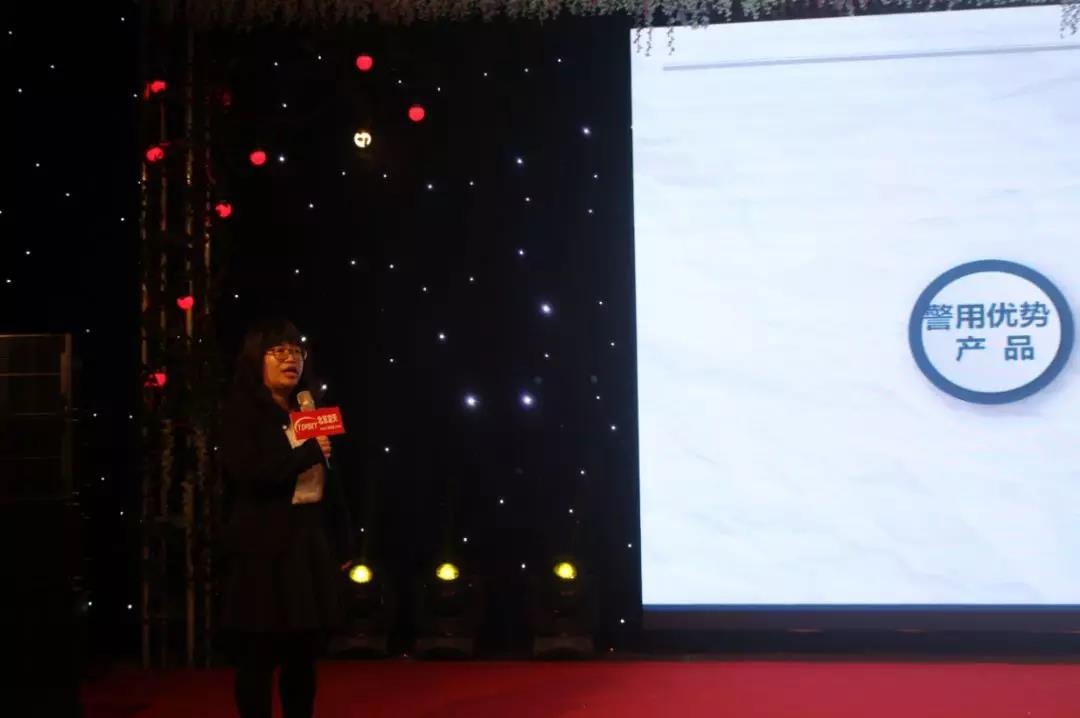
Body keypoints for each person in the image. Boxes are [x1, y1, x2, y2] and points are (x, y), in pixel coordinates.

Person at [219, 318, 353, 718]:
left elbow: (331, 479)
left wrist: (342, 536)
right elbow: (248, 472)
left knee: (302, 657)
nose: (290, 359)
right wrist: (307, 452)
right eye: (279, 351)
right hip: (262, 547)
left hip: (307, 543)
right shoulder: (242, 412)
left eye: (296, 351)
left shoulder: (309, 409)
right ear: (256, 359)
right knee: (258, 657)